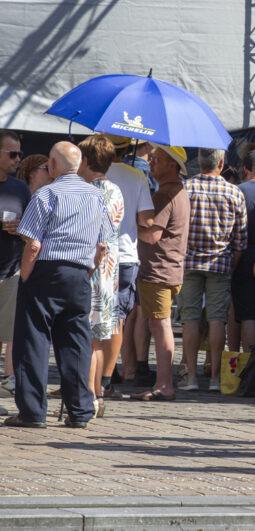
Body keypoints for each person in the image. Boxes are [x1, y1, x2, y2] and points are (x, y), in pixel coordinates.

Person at [5, 142, 112, 428]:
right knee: (76, 343)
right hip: (79, 273)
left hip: (45, 271)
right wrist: (88, 272)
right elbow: (102, 246)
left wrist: (26, 276)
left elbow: (33, 244)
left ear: (52, 165)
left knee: (33, 341)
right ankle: (79, 412)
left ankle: (32, 411)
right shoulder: (96, 196)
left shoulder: (47, 194)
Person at [179, 148, 248, 392]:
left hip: (188, 262)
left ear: (199, 162)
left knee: (190, 319)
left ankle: (191, 377)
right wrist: (232, 262)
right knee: (218, 320)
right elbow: (241, 239)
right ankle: (217, 379)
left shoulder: (185, 189)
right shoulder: (233, 192)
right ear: (221, 164)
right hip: (220, 262)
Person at [130, 144, 190, 401]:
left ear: (172, 165)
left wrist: (129, 226)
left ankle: (165, 384)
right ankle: (163, 382)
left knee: (160, 323)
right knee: (159, 323)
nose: (151, 163)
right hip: (167, 267)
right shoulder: (175, 191)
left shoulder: (166, 193)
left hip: (158, 268)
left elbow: (152, 235)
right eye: (152, 158)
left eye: (157, 160)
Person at [101, 135, 155, 401]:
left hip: (96, 253)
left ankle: (87, 377)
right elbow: (147, 220)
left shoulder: (92, 174)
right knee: (117, 319)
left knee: (90, 317)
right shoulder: (137, 177)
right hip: (125, 255)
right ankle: (106, 379)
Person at [76, 135, 125, 419]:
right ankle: (97, 394)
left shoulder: (88, 192)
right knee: (97, 337)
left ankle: (87, 396)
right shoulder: (115, 189)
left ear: (85, 161)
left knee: (86, 338)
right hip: (109, 270)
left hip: (92, 266)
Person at [0, 132, 30, 406]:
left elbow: (34, 231)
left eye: (19, 154)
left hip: (10, 271)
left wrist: (21, 230)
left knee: (5, 335)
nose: (18, 160)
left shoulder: (20, 189)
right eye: (12, 154)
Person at [231, 148, 255, 352]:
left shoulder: (237, 190)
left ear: (245, 168)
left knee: (247, 315)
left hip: (242, 256)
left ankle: (249, 367)